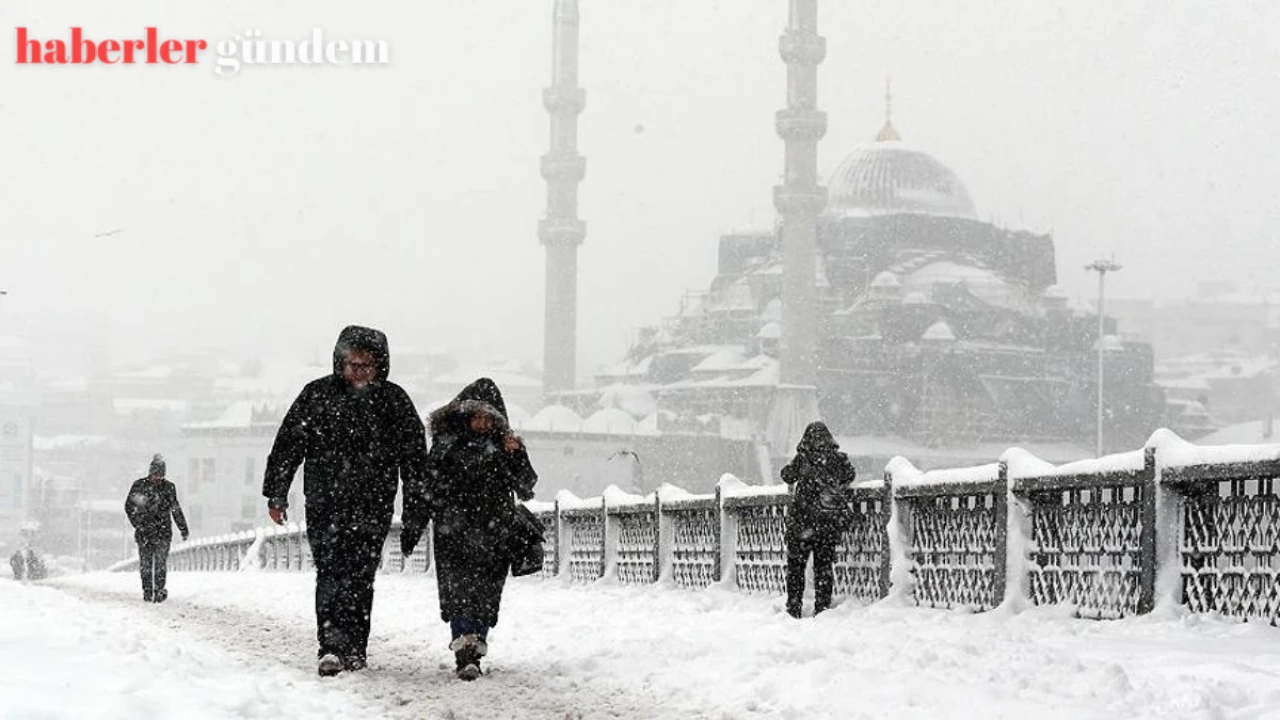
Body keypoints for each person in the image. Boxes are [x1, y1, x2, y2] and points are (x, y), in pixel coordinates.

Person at [263, 325, 428, 677]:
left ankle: (356, 647)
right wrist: (277, 492)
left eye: (365, 365)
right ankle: (332, 645)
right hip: (326, 503)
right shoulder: (317, 395)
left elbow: (415, 461)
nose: (357, 372)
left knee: (360, 575)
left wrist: (416, 509)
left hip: (373, 504)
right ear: (340, 362)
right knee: (331, 572)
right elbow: (288, 445)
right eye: (352, 364)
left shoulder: (394, 402)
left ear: (379, 366)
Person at [401, 378, 537, 681]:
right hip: (454, 533)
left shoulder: (504, 447)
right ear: (463, 414)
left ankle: (476, 645)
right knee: (459, 592)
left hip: (494, 533)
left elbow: (526, 488)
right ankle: (466, 652)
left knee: (486, 595)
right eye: (476, 415)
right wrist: (413, 526)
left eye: (488, 417)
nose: (482, 422)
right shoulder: (446, 446)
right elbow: (426, 489)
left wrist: (517, 454)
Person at [780, 421, 857, 619]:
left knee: (796, 568)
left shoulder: (803, 459)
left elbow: (787, 476)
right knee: (823, 568)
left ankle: (793, 607)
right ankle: (822, 608)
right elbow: (850, 475)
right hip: (827, 523)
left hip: (802, 523)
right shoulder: (838, 459)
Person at [124, 453, 190, 602]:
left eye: (160, 475)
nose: (157, 478)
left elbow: (175, 509)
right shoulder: (139, 486)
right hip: (145, 532)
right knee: (146, 564)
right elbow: (129, 506)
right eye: (155, 475)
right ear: (150, 473)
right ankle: (147, 590)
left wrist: (183, 528)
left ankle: (159, 590)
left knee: (160, 563)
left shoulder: (169, 488)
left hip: (163, 532)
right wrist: (138, 523)